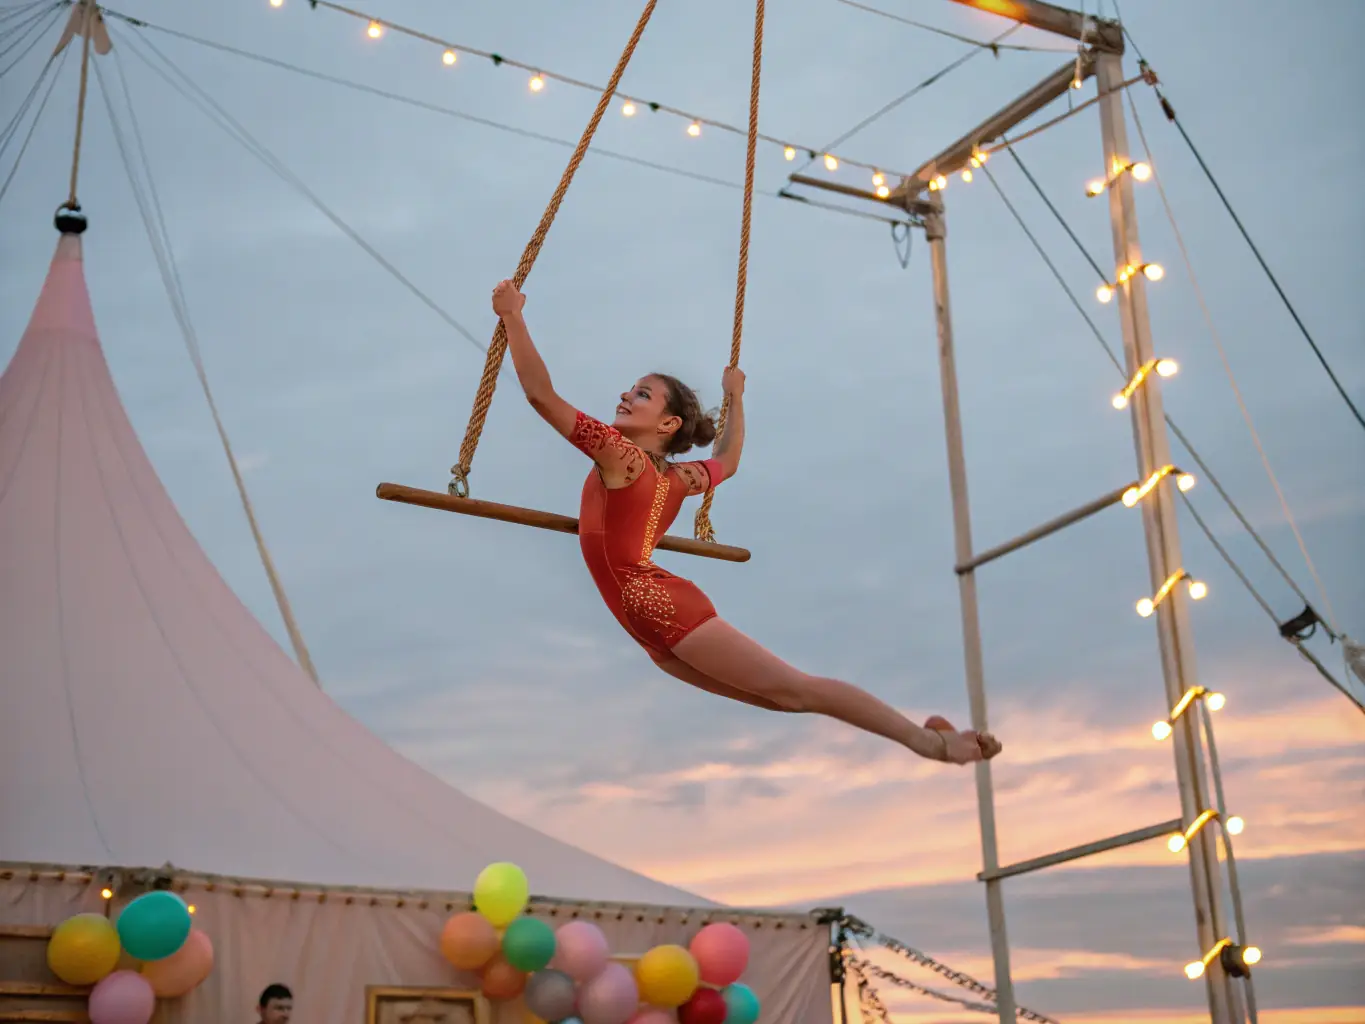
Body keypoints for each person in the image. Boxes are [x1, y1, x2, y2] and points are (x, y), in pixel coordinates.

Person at [490, 279, 1002, 766]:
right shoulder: (678, 478)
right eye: (630, 390)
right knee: (786, 702)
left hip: (664, 611)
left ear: (668, 425)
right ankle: (929, 740)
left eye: (642, 394)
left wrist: (514, 315)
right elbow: (728, 460)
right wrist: (735, 396)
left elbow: (541, 396)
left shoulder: (623, 458)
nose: (625, 396)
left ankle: (932, 744)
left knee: (798, 690)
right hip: (648, 627)